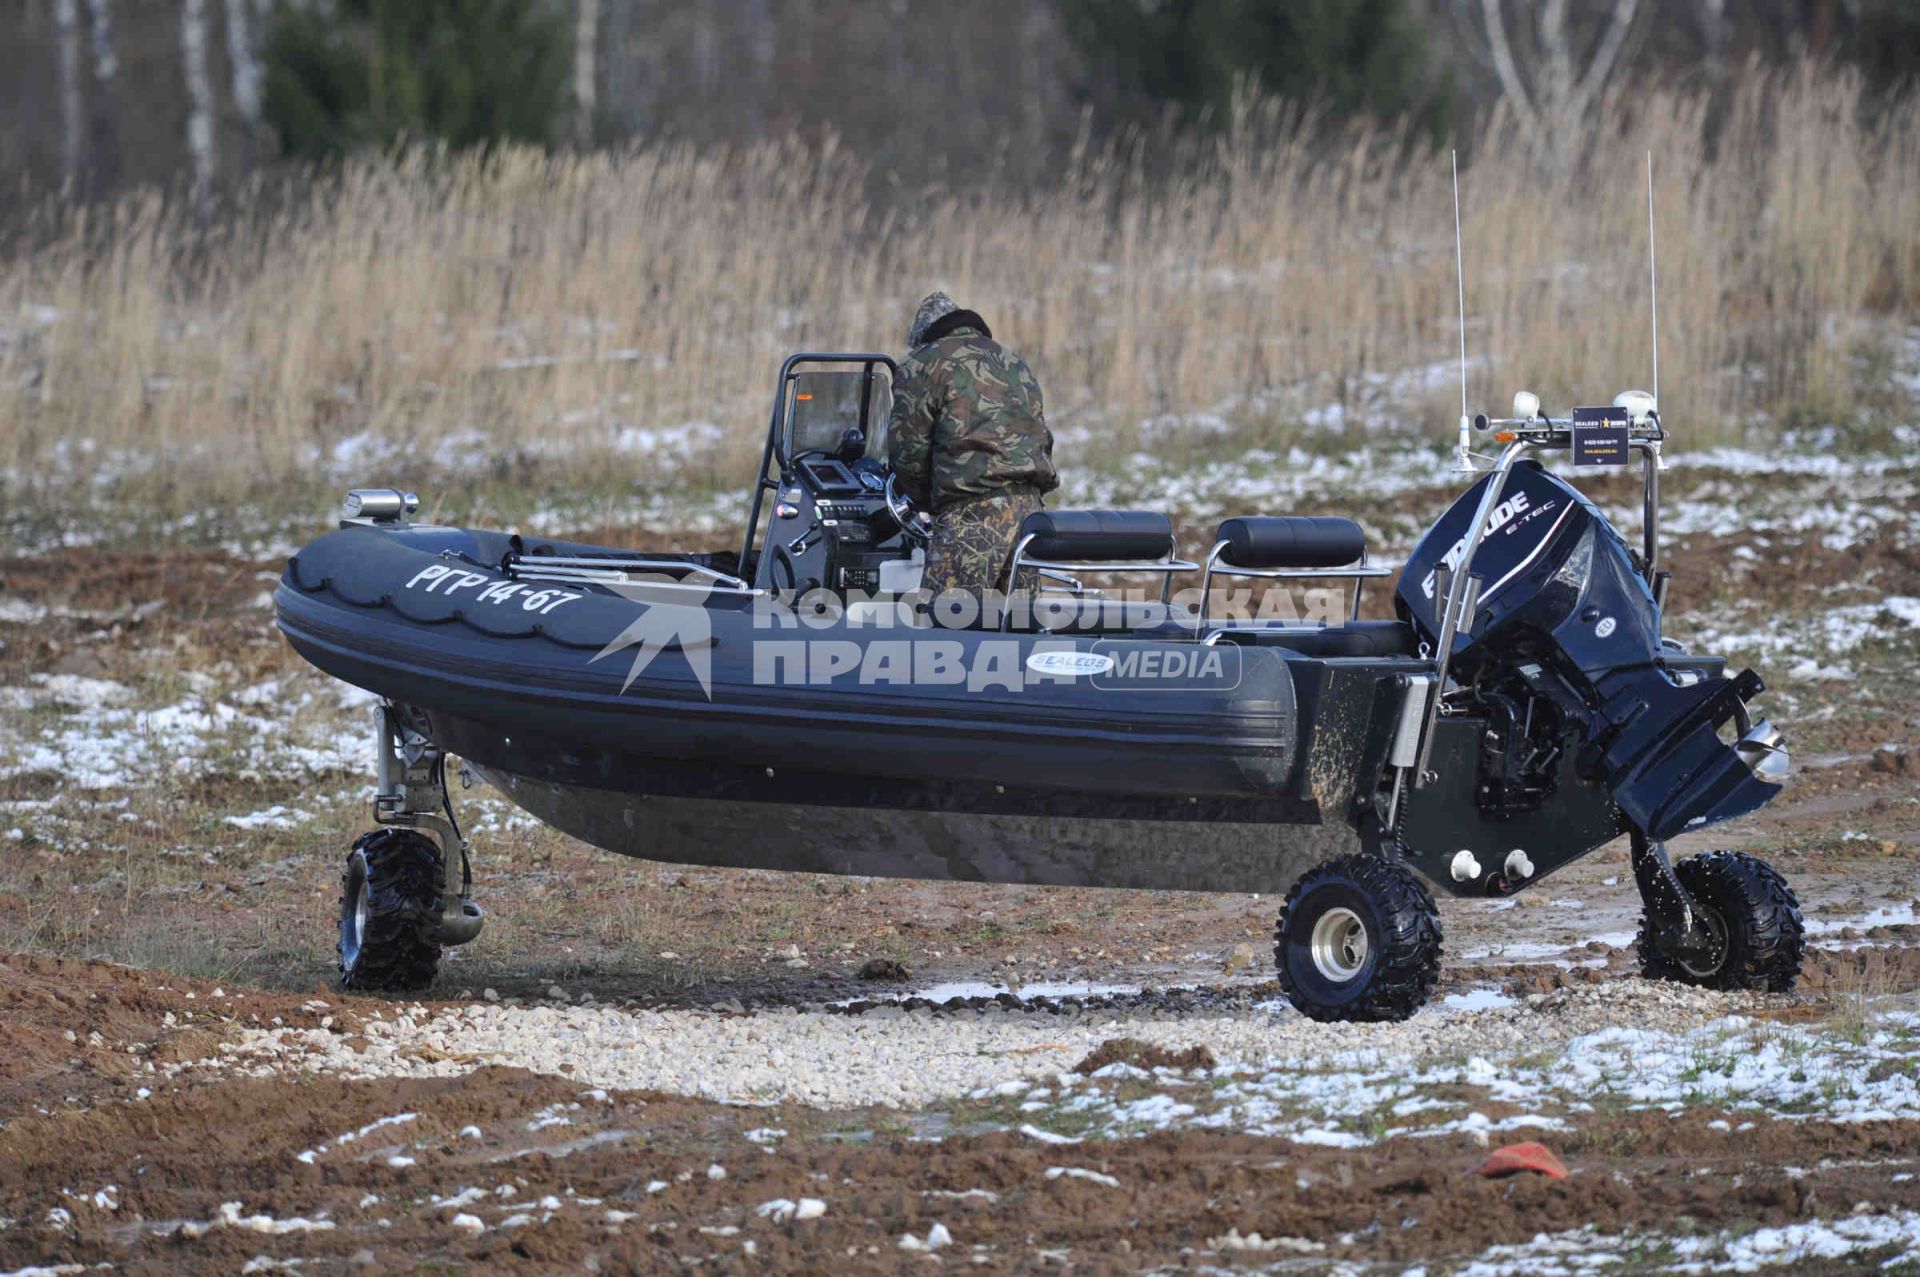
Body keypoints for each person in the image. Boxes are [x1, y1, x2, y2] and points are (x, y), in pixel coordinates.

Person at [887, 290, 1058, 618]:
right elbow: (1040, 436)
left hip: (971, 513)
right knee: (1022, 627)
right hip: (1030, 512)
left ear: (922, 336)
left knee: (946, 624)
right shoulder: (1012, 362)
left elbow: (907, 449)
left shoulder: (924, 363)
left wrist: (926, 502)